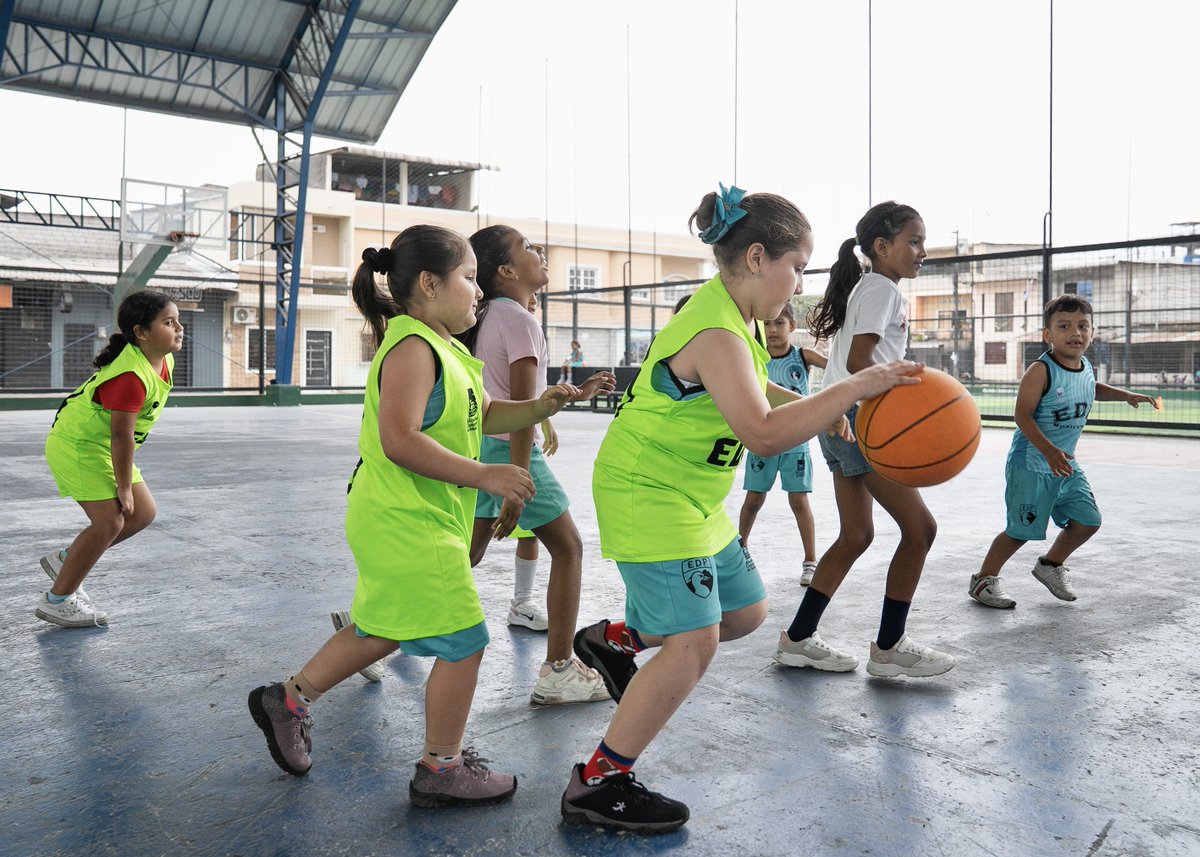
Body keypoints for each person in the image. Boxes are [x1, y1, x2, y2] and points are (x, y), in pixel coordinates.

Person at [565, 184, 922, 832]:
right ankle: (599, 780)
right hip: (648, 491)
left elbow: (755, 391)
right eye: (798, 267)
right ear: (758, 256)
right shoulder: (717, 330)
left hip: (690, 497)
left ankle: (612, 640)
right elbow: (758, 432)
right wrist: (854, 388)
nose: (801, 283)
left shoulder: (739, 319)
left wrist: (816, 413)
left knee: (746, 610)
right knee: (694, 641)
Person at [247, 225, 586, 806]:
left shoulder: (447, 349)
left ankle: (289, 699)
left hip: (409, 518)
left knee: (384, 627)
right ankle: (441, 768)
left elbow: (483, 416)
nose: (478, 293)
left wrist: (540, 405)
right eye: (469, 279)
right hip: (407, 520)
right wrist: (485, 474)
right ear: (429, 284)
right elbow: (399, 439)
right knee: (465, 641)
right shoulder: (411, 348)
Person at [775, 201, 956, 679]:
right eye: (913, 241)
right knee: (921, 530)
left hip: (839, 419)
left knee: (856, 535)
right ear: (882, 246)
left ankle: (797, 639)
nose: (922, 251)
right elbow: (860, 360)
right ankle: (891, 646)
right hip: (860, 421)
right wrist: (908, 389)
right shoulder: (882, 290)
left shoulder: (871, 286)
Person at [457, 224, 616, 706]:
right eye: (527, 247)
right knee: (568, 547)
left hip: (485, 447)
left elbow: (521, 401)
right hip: (510, 451)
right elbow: (523, 409)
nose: (539, 251)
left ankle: (374, 631)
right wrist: (517, 481)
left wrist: (580, 392)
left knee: (468, 553)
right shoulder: (522, 322)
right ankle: (560, 668)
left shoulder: (488, 317)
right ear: (505, 270)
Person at [968, 295, 1157, 608]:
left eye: (1083, 326)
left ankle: (1050, 565)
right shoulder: (1040, 371)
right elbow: (1022, 416)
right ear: (1048, 335)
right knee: (1021, 530)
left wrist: (1125, 395)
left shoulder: (1085, 366)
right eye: (1065, 326)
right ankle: (984, 579)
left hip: (1064, 465)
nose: (1076, 333)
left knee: (1088, 520)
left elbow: (1091, 387)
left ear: (1092, 332)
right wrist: (1049, 450)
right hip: (1032, 465)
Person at [38, 289, 183, 627]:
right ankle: (57, 600)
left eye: (178, 321)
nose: (179, 328)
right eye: (168, 322)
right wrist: (123, 487)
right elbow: (121, 436)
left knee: (144, 513)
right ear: (141, 332)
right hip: (79, 445)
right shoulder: (130, 377)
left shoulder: (163, 359)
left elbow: (121, 438)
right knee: (111, 521)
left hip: (101, 445)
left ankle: (68, 559)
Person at [737, 301, 828, 585]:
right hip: (763, 439)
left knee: (799, 501)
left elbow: (839, 368)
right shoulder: (756, 357)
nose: (773, 329)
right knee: (753, 499)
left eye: (779, 323)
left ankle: (810, 561)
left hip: (796, 441)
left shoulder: (804, 355)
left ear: (792, 326)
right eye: (767, 323)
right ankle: (740, 552)